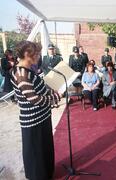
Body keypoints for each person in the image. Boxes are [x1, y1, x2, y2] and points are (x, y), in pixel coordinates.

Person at [11, 40, 61, 180]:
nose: (39, 56)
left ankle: (46, 174)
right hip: (33, 121)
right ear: (27, 54)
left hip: (42, 117)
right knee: (36, 154)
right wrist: (55, 96)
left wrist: (50, 90)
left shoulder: (27, 70)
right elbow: (33, 99)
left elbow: (38, 89)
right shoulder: (21, 73)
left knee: (44, 149)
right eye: (36, 54)